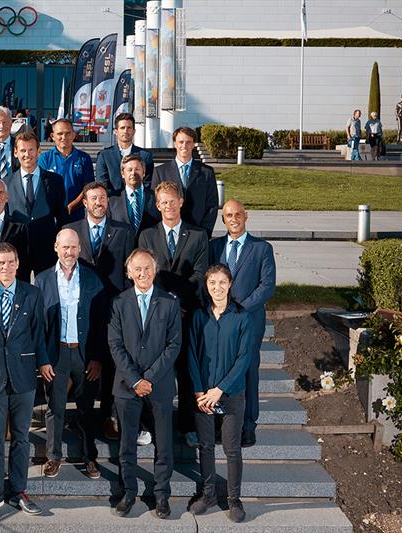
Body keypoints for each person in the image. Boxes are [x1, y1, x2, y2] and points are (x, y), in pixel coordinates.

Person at [0, 242, 53, 519]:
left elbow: (38, 332)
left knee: (20, 437)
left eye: (10, 262)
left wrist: (42, 362)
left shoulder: (32, 293)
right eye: (0, 263)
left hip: (23, 375)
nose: (6, 267)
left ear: (18, 264)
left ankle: (19, 490)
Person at [109, 248, 181, 519]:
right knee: (127, 444)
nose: (142, 273)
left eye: (147, 268)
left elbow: (174, 344)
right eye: (137, 269)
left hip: (159, 385)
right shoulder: (119, 302)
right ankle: (128, 492)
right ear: (129, 273)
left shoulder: (169, 302)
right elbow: (115, 345)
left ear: (155, 271)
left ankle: (162, 494)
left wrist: (148, 378)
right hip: (127, 386)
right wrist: (135, 379)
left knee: (163, 443)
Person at [137, 181, 208, 448]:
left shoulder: (198, 235)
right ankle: (148, 425)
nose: (168, 206)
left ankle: (188, 425)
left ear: (181, 201)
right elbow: (147, 273)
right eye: (163, 202)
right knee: (151, 369)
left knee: (187, 371)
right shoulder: (146, 236)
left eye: (172, 200)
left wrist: (177, 299)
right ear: (157, 206)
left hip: (187, 312)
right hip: (156, 315)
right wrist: (166, 303)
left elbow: (199, 274)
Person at [64, 181, 136, 442]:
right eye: (93, 198)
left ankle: (108, 415)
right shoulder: (70, 230)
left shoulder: (124, 231)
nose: (98, 202)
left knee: (111, 363)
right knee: (84, 362)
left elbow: (129, 275)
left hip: (113, 308)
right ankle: (82, 415)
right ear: (84, 202)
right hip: (80, 309)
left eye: (103, 198)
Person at [35, 229, 107, 479]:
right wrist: (43, 359)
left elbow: (100, 323)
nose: (69, 252)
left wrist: (97, 357)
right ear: (56, 247)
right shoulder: (43, 280)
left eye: (74, 247)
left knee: (86, 407)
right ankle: (53, 457)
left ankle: (90, 458)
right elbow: (38, 326)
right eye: (65, 247)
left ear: (79, 249)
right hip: (56, 354)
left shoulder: (91, 279)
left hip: (84, 354)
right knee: (55, 408)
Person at [187, 264, 252, 523]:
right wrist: (199, 390)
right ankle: (209, 493)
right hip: (203, 394)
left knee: (232, 449)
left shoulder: (241, 317)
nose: (217, 288)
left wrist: (220, 389)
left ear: (230, 284)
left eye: (222, 282)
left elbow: (244, 357)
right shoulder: (198, 317)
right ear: (207, 285)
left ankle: (234, 499)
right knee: (205, 446)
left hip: (231, 393)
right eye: (212, 283)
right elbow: (191, 354)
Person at [209, 200, 276, 447]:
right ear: (223, 220)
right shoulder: (214, 247)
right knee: (218, 370)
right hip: (218, 321)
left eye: (238, 214)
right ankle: (219, 422)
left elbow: (267, 286)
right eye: (228, 215)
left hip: (248, 320)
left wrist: (239, 309)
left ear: (246, 217)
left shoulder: (261, 248)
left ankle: (248, 425)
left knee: (248, 371)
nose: (234, 219)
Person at [5, 131, 67, 277]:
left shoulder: (55, 181)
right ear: (15, 153)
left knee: (48, 294)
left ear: (38, 151)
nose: (27, 154)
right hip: (17, 251)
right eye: (22, 150)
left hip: (46, 249)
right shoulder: (6, 183)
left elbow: (62, 217)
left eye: (31, 150)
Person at [150, 127, 218, 238]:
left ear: (193, 145)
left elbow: (212, 205)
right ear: (175, 144)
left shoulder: (206, 172)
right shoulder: (160, 172)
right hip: (169, 232)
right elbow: (154, 204)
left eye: (188, 142)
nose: (184, 146)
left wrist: (205, 232)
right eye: (181, 142)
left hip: (198, 232)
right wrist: (162, 231)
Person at [38, 118, 95, 221]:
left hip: (76, 216)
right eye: (60, 134)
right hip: (51, 217)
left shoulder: (84, 158)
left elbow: (88, 187)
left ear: (73, 135)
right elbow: (40, 187)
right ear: (53, 136)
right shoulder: (44, 159)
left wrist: (72, 206)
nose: (64, 137)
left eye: (67, 133)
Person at [96, 112, 154, 195]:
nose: (126, 131)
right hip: (113, 203)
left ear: (134, 131)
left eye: (129, 128)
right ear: (115, 131)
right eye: (122, 128)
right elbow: (102, 184)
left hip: (139, 201)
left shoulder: (145, 156)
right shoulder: (104, 156)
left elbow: (148, 183)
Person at [108, 154, 159, 242]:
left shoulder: (156, 197)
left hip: (149, 250)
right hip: (121, 252)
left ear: (143, 172)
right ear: (122, 174)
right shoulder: (112, 200)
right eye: (129, 170)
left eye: (137, 169)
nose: (133, 173)